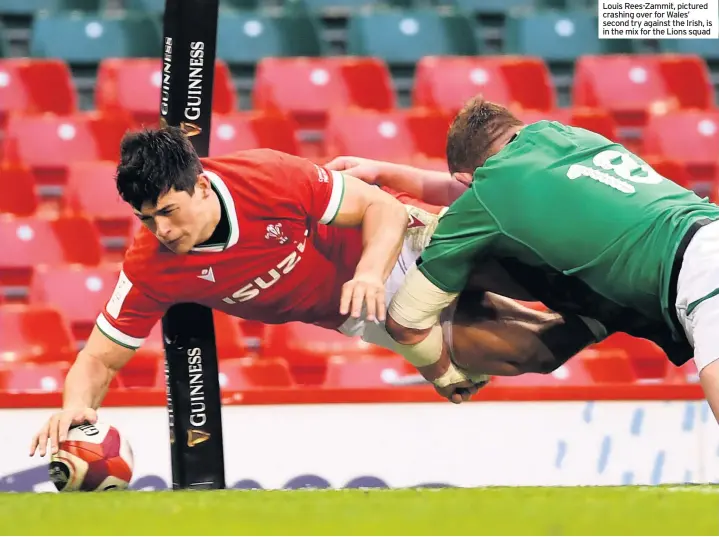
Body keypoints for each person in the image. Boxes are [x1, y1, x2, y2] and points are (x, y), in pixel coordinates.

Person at [327, 96, 719, 424]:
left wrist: (444, 372)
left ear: (469, 178)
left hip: (699, 269)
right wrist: (382, 171)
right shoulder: (562, 135)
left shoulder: (489, 194)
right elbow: (477, 190)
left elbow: (406, 320)